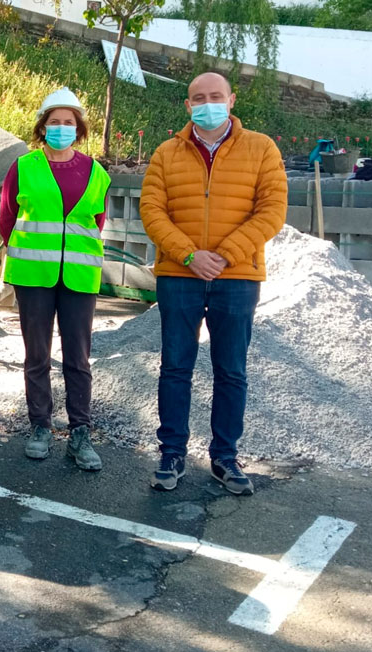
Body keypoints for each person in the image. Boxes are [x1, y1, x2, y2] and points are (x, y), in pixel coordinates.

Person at [140, 72, 287, 495]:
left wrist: (224, 255)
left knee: (231, 371)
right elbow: (152, 210)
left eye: (216, 96)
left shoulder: (261, 149)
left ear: (231, 100)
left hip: (236, 277)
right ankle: (171, 453)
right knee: (175, 367)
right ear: (188, 106)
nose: (208, 103)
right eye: (199, 98)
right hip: (178, 276)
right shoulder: (167, 153)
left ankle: (225, 456)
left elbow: (272, 210)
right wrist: (189, 255)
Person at [0, 87, 110, 470]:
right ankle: (40, 427)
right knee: (37, 355)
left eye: (68, 122)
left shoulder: (95, 171)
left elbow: (97, 222)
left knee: (78, 358)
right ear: (42, 127)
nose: (61, 127)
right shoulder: (23, 167)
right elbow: (7, 218)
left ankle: (80, 432)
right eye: (54, 122)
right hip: (34, 274)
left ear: (78, 129)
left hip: (78, 277)